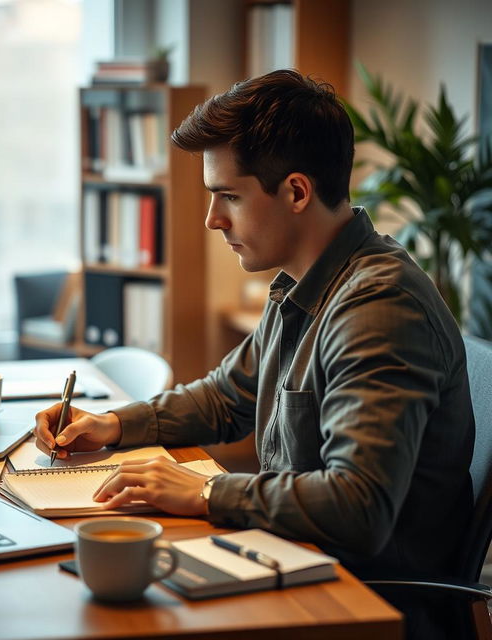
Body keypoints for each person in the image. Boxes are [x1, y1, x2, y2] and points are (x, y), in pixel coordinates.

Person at [34, 69, 474, 585]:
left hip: (364, 596)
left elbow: (358, 506)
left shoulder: (379, 307)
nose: (212, 219)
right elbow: (226, 396)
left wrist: (204, 492)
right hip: (291, 557)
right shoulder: (302, 283)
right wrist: (113, 425)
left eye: (229, 197)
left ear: (296, 192)